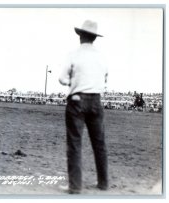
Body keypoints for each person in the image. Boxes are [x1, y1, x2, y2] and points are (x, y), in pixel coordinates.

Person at [59, 20, 109, 194]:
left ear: (80, 35)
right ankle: (103, 182)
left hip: (77, 100)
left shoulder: (73, 54)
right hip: (96, 100)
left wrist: (73, 81)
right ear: (94, 37)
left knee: (74, 142)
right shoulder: (102, 56)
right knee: (99, 143)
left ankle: (75, 186)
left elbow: (62, 78)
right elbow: (104, 78)